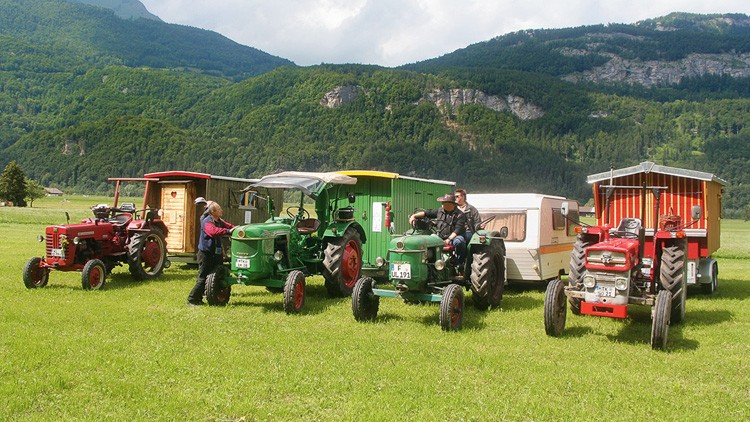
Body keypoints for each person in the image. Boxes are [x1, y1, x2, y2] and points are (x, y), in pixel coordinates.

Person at [187, 202, 235, 306]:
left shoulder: (219, 220)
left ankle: (213, 298)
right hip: (206, 254)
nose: (221, 211)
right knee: (203, 277)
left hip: (216, 253)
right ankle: (192, 299)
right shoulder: (207, 221)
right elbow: (213, 232)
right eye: (219, 209)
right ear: (213, 212)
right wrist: (228, 231)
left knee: (217, 276)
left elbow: (230, 226)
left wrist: (237, 229)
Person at [408, 193, 467, 263]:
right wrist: (414, 216)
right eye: (443, 202)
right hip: (440, 237)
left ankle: (459, 262)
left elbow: (457, 230)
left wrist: (448, 240)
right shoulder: (440, 211)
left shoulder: (460, 215)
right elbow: (427, 213)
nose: (442, 203)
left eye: (445, 202)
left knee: (459, 241)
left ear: (452, 204)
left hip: (453, 238)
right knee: (428, 240)